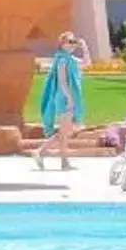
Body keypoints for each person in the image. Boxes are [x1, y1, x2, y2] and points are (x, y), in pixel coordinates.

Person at [35, 31, 89, 168]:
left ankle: (56, 158)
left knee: (65, 131)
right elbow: (63, 82)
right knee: (65, 131)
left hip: (70, 97)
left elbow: (87, 63)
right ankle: (47, 154)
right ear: (62, 44)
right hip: (64, 97)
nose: (72, 45)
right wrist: (70, 99)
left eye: (73, 42)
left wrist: (84, 47)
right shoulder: (62, 60)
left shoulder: (70, 60)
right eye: (69, 42)